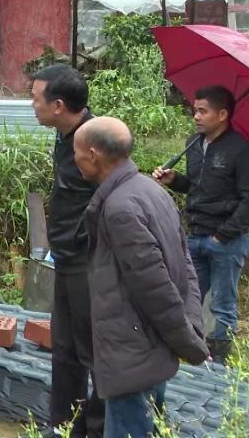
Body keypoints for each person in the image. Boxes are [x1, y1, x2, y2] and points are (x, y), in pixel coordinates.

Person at [74, 117, 209, 438]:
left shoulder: (120, 208)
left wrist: (189, 342)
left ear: (93, 154)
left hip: (131, 351)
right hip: (151, 348)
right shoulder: (151, 190)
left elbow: (154, 286)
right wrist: (190, 324)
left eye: (76, 152)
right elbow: (185, 265)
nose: (74, 159)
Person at [152, 85, 249, 364]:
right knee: (188, 296)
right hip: (196, 234)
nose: (196, 117)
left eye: (203, 111)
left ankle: (220, 363)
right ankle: (191, 353)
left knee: (222, 304)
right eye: (195, 110)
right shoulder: (194, 144)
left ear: (222, 114)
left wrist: (223, 235)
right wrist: (175, 180)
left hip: (226, 241)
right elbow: (196, 186)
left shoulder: (242, 150)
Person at [30, 65, 103, 438]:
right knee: (64, 347)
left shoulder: (95, 143)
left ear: (58, 105)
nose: (32, 105)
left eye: (35, 99)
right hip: (65, 256)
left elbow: (108, 202)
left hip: (88, 261)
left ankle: (96, 429)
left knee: (93, 350)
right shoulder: (64, 137)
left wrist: (78, 240)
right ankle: (63, 425)